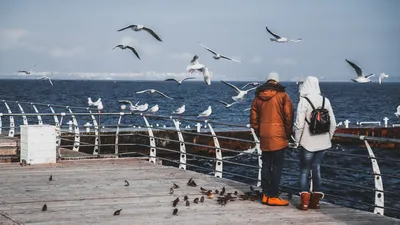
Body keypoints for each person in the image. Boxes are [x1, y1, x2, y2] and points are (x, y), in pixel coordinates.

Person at [250, 73, 294, 206]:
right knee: (277, 167)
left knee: (266, 165)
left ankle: (265, 194)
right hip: (279, 136)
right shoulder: (283, 95)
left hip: (264, 135)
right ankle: (273, 196)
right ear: (277, 81)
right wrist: (287, 133)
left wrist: (259, 132)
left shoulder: (258, 96)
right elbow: (288, 116)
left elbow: (253, 118)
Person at [294, 76, 336, 210]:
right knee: (316, 168)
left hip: (307, 142)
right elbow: (333, 123)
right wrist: (328, 137)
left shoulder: (304, 101)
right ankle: (316, 202)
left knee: (304, 170)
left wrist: (297, 141)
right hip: (323, 142)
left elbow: (299, 125)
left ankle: (305, 203)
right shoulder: (325, 100)